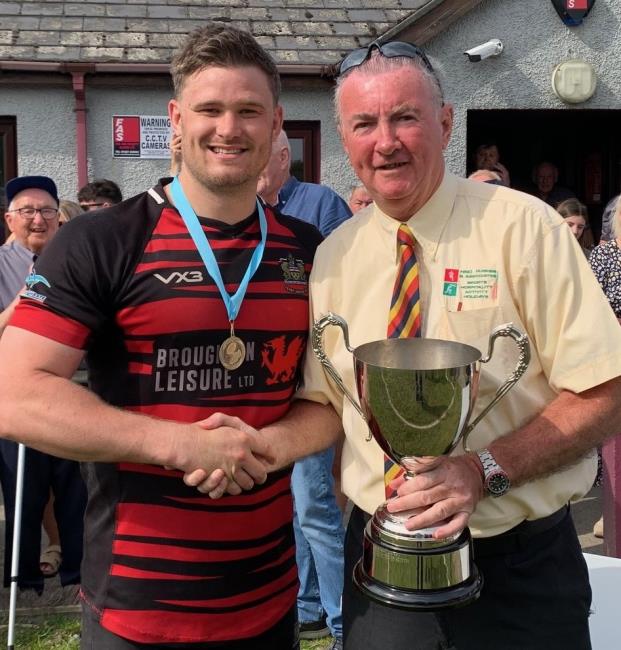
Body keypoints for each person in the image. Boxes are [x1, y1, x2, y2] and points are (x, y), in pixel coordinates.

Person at [191, 40, 621, 650]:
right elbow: (323, 403)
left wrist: (484, 470)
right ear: (344, 137)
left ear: (445, 123)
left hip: (519, 572)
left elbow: (606, 387)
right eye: (365, 123)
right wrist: (253, 446)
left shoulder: (526, 229)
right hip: (380, 566)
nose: (385, 141)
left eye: (405, 117)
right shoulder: (333, 255)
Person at [0, 24, 324, 649]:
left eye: (249, 111)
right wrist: (177, 444)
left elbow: (334, 398)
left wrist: (269, 445)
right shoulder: (102, 240)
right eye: (210, 109)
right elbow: (14, 395)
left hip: (268, 597)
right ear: (176, 118)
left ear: (277, 122)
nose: (229, 128)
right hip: (138, 607)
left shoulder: (307, 251)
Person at [258, 132, 345, 647]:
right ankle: (307, 605)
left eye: (261, 155)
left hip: (308, 390)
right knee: (293, 510)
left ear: (284, 156)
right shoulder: (245, 213)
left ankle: (340, 622)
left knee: (315, 509)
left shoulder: (320, 204)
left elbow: (338, 289)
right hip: (269, 390)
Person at [0, 175, 86, 596]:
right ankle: (22, 579)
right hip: (16, 397)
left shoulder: (74, 259)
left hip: (72, 393)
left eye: (48, 211)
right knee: (23, 487)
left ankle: (79, 572)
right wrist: (17, 307)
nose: (39, 219)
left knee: (74, 486)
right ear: (9, 220)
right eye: (28, 211)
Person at [257, 129, 351, 235]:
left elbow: (344, 250)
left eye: (258, 157)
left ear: (283, 158)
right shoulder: (244, 211)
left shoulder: (322, 202)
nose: (250, 167)